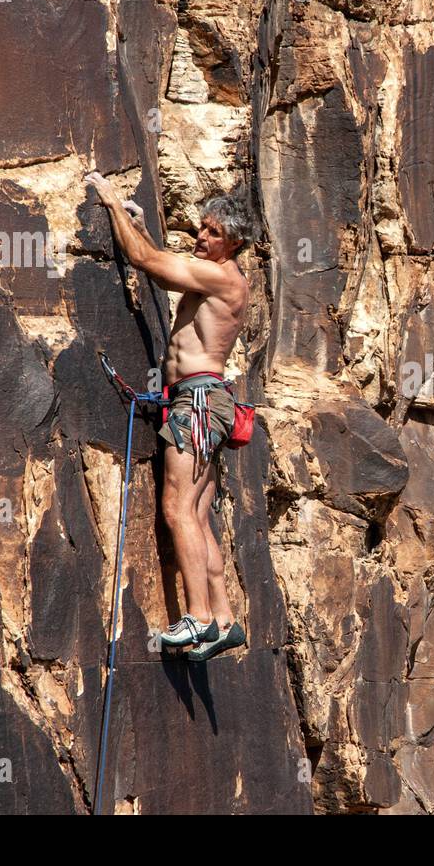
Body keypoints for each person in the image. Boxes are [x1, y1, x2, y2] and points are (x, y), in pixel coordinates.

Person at [85, 172, 249, 661]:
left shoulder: (222, 276)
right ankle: (221, 619)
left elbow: (145, 263)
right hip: (204, 401)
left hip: (196, 404)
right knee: (197, 514)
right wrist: (144, 228)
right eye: (200, 227)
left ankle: (197, 618)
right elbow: (164, 259)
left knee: (177, 509)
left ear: (234, 243)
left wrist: (114, 205)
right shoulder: (219, 273)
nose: (201, 236)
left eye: (213, 232)